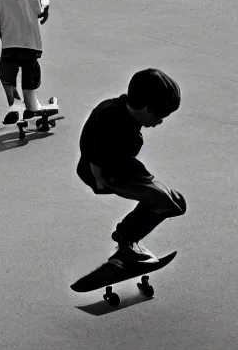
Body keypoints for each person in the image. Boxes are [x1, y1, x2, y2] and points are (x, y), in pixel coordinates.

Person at [76, 68, 186, 268]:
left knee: (176, 202)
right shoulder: (110, 115)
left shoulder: (126, 113)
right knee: (162, 200)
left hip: (123, 168)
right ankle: (126, 244)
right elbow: (92, 147)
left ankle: (127, 240)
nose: (160, 122)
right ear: (147, 109)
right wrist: (99, 178)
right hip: (109, 172)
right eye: (160, 116)